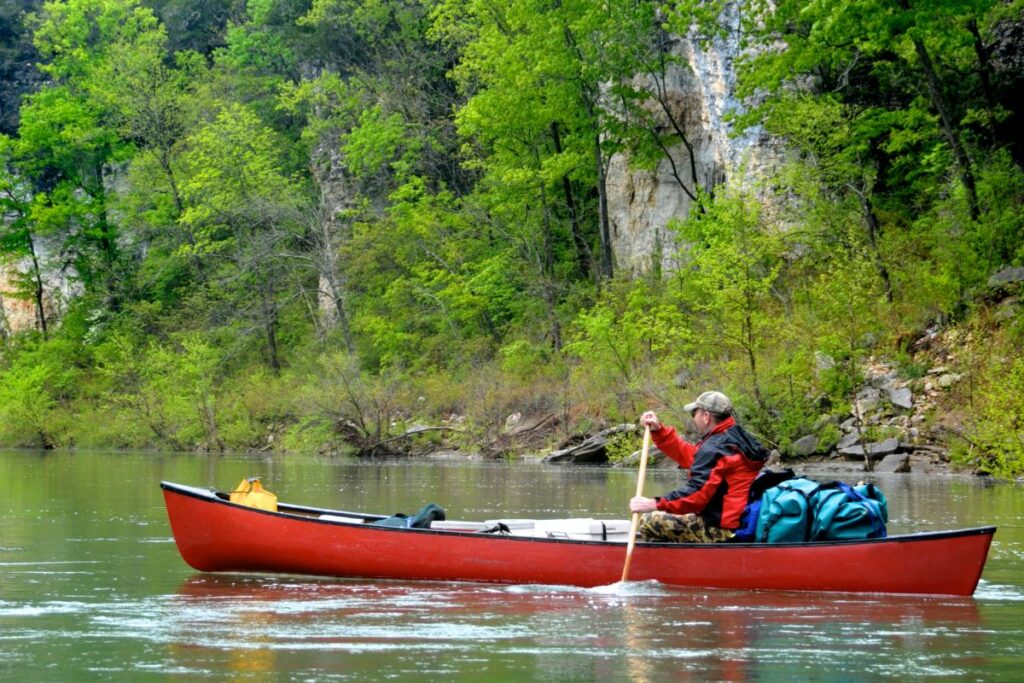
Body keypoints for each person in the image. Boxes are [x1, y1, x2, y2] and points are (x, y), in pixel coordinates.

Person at [630, 391, 770, 543]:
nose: (693, 419)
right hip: (739, 522)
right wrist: (659, 431)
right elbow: (694, 458)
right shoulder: (733, 439)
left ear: (706, 416)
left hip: (723, 530)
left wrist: (654, 503)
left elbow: (696, 495)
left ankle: (680, 564)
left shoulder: (716, 448)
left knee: (649, 521)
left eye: (694, 413)